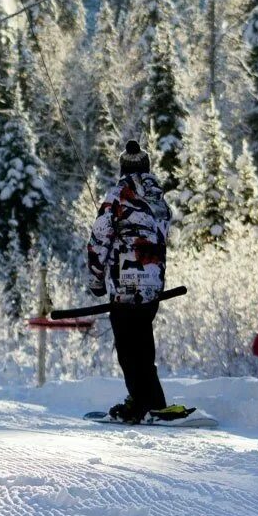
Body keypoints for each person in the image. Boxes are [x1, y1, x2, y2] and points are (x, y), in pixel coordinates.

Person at [87, 140, 175, 423]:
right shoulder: (160, 201)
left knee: (128, 348)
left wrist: (97, 281)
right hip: (152, 284)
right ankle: (152, 401)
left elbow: (100, 238)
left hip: (124, 282)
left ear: (123, 168)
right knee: (143, 346)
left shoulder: (117, 195)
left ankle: (141, 403)